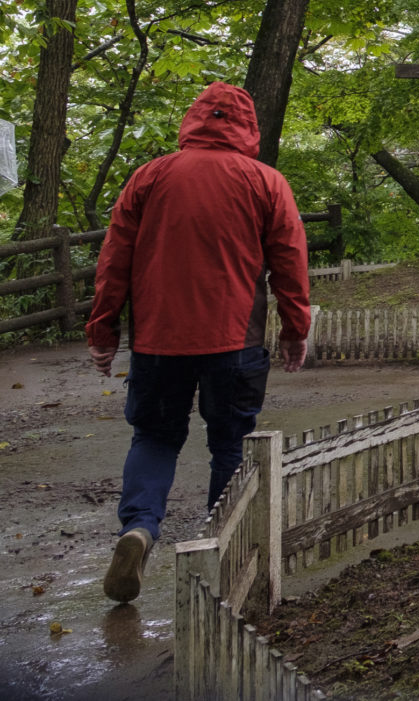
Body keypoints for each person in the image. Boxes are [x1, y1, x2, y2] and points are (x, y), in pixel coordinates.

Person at [85, 82, 311, 604]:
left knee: (155, 437)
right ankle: (217, 555)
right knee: (228, 445)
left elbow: (113, 260)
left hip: (158, 341)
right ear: (248, 127)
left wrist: (103, 331)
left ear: (193, 120)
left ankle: (139, 528)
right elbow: (289, 265)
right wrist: (295, 332)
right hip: (236, 340)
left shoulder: (150, 177)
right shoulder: (265, 182)